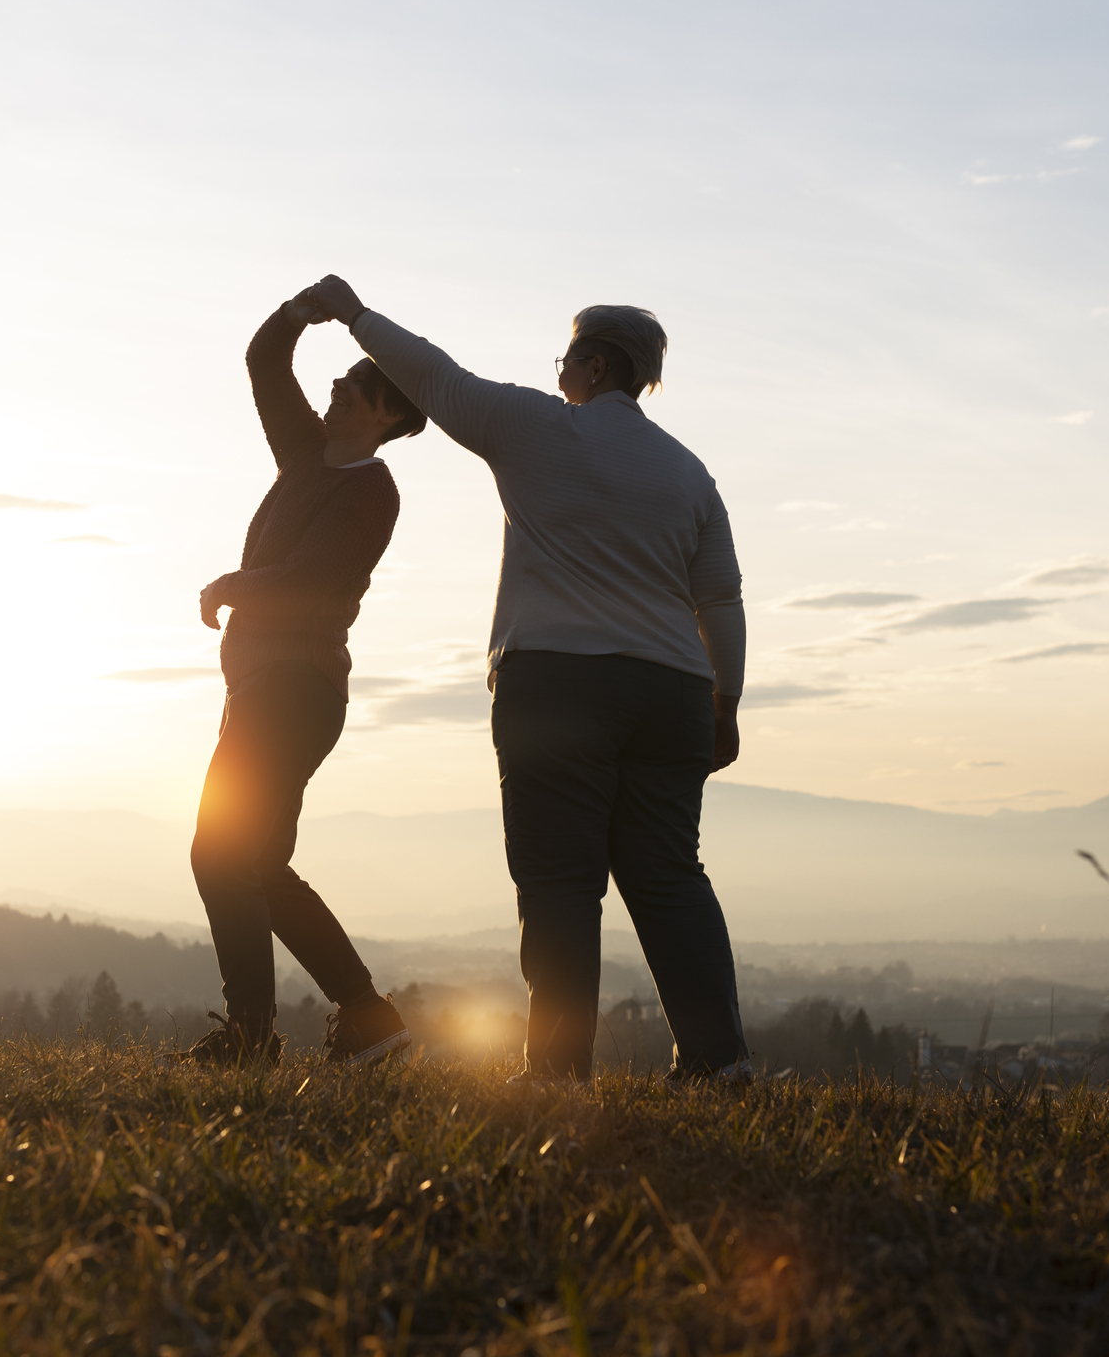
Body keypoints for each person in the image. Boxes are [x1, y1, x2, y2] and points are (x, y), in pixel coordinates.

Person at [303, 274, 751, 1082]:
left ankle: (556, 1069)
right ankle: (719, 1062)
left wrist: (354, 314)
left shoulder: (537, 427)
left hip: (556, 681)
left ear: (593, 367)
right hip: (674, 691)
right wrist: (727, 699)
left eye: (565, 360)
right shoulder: (689, 473)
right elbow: (718, 596)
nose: (557, 375)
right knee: (668, 875)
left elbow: (434, 378)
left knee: (558, 878)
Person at [181, 292, 425, 1067]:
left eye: (362, 386)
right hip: (260, 687)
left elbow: (308, 579)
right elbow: (263, 362)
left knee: (219, 854)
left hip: (296, 688)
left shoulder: (371, 491)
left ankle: (251, 1039)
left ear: (388, 417)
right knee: (253, 863)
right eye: (346, 377)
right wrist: (298, 311)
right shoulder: (302, 457)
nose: (342, 387)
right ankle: (369, 1019)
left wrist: (229, 584)